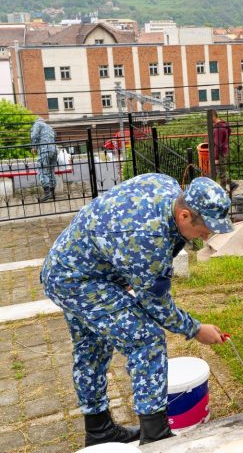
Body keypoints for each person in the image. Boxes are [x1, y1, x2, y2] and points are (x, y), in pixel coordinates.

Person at [40, 175, 232, 447]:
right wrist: (196, 329)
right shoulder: (147, 238)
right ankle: (155, 437)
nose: (206, 237)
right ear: (185, 215)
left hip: (67, 267)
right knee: (146, 339)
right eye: (204, 231)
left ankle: (99, 431)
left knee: (91, 346)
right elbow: (156, 304)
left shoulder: (165, 185)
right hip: (78, 280)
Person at [30, 116, 57, 202]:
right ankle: (52, 193)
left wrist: (34, 146)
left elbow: (34, 135)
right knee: (51, 171)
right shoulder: (49, 127)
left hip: (44, 150)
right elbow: (55, 136)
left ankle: (47, 193)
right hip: (54, 150)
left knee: (42, 170)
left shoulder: (37, 124)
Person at [212, 110, 237, 191]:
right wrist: (225, 142)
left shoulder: (218, 128)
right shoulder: (224, 124)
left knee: (220, 172)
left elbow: (217, 144)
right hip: (225, 150)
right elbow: (229, 131)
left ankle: (224, 189)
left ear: (213, 116)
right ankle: (230, 185)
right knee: (222, 170)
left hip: (220, 152)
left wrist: (216, 158)